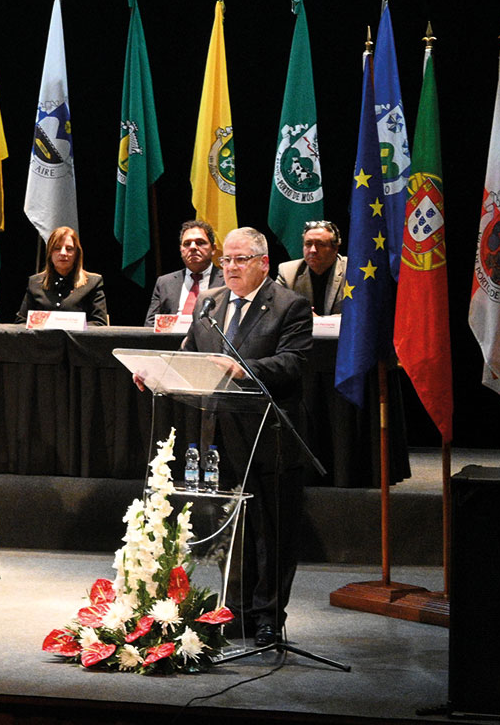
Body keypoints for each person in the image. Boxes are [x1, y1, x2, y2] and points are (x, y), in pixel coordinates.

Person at [179, 227, 312, 648]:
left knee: (271, 533)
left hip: (269, 437)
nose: (230, 268)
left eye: (240, 260)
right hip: (220, 435)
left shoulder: (290, 306)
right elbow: (190, 353)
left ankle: (269, 617)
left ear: (263, 263)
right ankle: (235, 611)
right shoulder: (210, 302)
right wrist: (157, 372)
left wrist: (242, 369)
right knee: (231, 529)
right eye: (227, 261)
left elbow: (292, 363)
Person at [15, 226, 108, 325]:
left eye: (69, 249)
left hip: (77, 340)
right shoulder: (35, 283)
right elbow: (21, 323)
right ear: (50, 253)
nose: (63, 253)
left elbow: (99, 324)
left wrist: (70, 326)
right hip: (43, 340)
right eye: (57, 248)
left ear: (77, 253)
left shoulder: (93, 283)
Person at [144, 220, 224, 325]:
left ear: (213, 249)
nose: (193, 247)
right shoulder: (165, 283)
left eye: (200, 242)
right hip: (172, 340)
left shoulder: (226, 281)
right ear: (181, 249)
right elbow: (151, 324)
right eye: (187, 244)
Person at [276, 220, 348, 316]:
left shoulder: (352, 270)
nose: (313, 250)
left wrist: (318, 321)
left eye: (321, 244)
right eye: (308, 244)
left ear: (335, 249)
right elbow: (274, 308)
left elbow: (360, 314)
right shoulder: (288, 271)